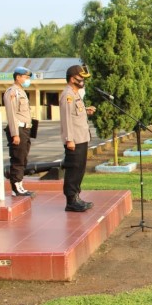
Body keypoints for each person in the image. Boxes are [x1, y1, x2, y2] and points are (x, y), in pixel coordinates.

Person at [59, 65, 96, 212]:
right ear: (73, 78)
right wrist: (69, 139)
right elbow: (67, 118)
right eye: (81, 78)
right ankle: (71, 200)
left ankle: (76, 197)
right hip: (74, 140)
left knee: (79, 169)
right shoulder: (67, 94)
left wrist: (86, 111)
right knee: (73, 170)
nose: (83, 81)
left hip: (81, 138)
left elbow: (76, 114)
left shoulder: (75, 94)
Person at [3, 66, 35, 197]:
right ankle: (16, 187)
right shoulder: (12, 92)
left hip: (25, 129)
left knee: (23, 158)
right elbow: (11, 114)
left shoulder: (21, 92)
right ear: (18, 77)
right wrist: (15, 134)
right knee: (18, 158)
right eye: (26, 77)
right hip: (19, 129)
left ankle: (20, 184)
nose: (27, 80)